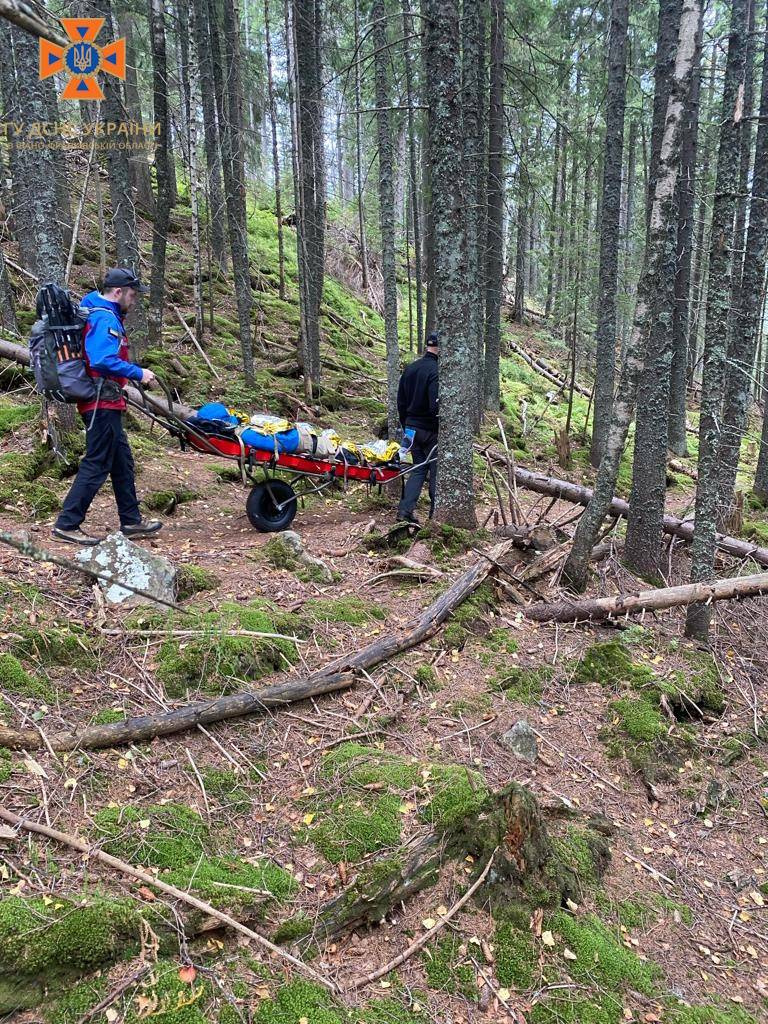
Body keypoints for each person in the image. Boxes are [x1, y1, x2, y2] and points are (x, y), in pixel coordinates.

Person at [52, 268, 163, 545]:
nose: (134, 301)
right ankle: (67, 523)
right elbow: (101, 358)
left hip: (107, 400)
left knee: (121, 461)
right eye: (132, 295)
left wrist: (122, 380)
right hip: (101, 404)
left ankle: (131, 521)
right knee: (97, 462)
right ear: (118, 292)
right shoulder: (104, 317)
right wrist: (138, 373)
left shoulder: (98, 312)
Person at [396, 331, 439, 524]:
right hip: (429, 431)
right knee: (435, 470)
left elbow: (401, 402)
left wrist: (406, 424)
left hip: (411, 429)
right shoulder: (436, 371)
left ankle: (405, 511)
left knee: (419, 469)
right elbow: (434, 406)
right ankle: (435, 514)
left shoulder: (411, 368)